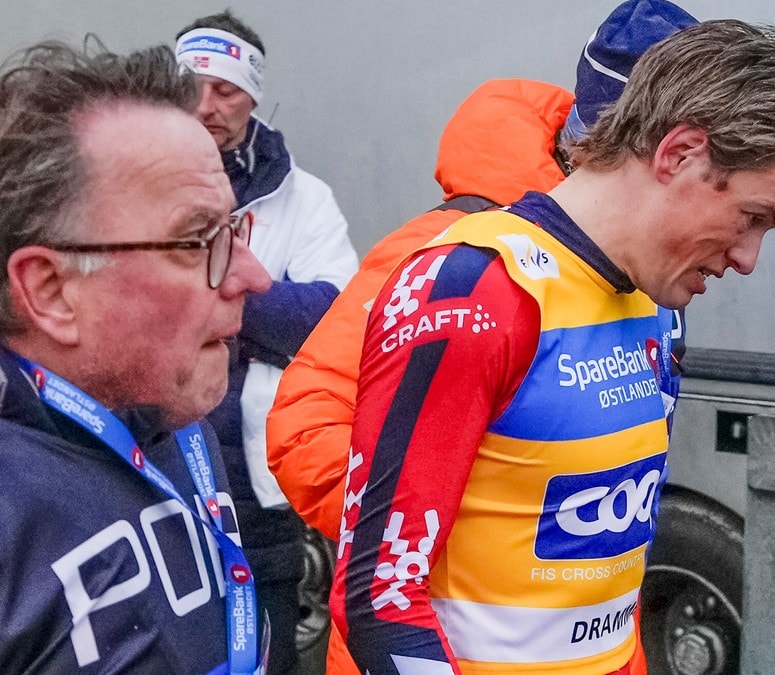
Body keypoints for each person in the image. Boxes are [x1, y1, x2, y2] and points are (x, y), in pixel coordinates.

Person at [330, 18, 775, 675]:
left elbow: (607, 590)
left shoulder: (658, 307)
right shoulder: (475, 289)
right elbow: (380, 598)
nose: (748, 258)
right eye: (752, 217)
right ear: (679, 154)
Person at [265, 3, 696, 671]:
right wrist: (456, 509)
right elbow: (304, 425)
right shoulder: (457, 257)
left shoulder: (638, 269)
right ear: (657, 152)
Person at [0, 39, 272, 672]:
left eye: (234, 230)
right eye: (197, 240)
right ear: (52, 290)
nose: (254, 277)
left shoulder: (172, 417)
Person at [175, 10, 360, 673]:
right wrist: (260, 304)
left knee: (272, 649)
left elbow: (333, 319)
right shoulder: (133, 185)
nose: (206, 104)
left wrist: (213, 296)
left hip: (260, 475)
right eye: (191, 85)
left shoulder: (302, 198)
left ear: (253, 95)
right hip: (161, 455)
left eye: (226, 89)